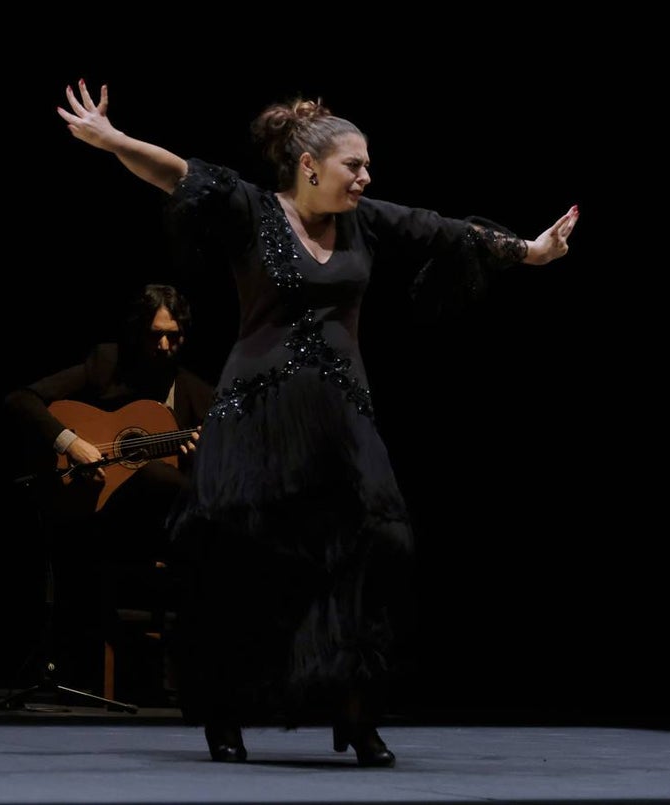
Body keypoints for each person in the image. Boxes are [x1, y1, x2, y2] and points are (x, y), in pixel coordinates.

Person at [55, 80, 580, 765]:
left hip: (341, 415)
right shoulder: (251, 209)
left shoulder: (366, 222)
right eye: (353, 165)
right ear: (309, 165)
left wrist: (530, 251)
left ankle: (356, 712)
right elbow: (177, 173)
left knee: (378, 542)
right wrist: (111, 139)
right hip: (257, 411)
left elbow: (446, 229)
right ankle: (225, 713)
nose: (366, 176)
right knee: (241, 556)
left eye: (367, 165)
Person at [3, 283, 213, 698]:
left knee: (175, 485)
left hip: (159, 532)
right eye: (156, 335)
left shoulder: (199, 395)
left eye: (174, 336)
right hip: (95, 518)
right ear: (138, 333)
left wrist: (202, 456)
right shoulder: (107, 363)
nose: (165, 346)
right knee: (157, 476)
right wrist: (71, 443)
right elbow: (20, 399)